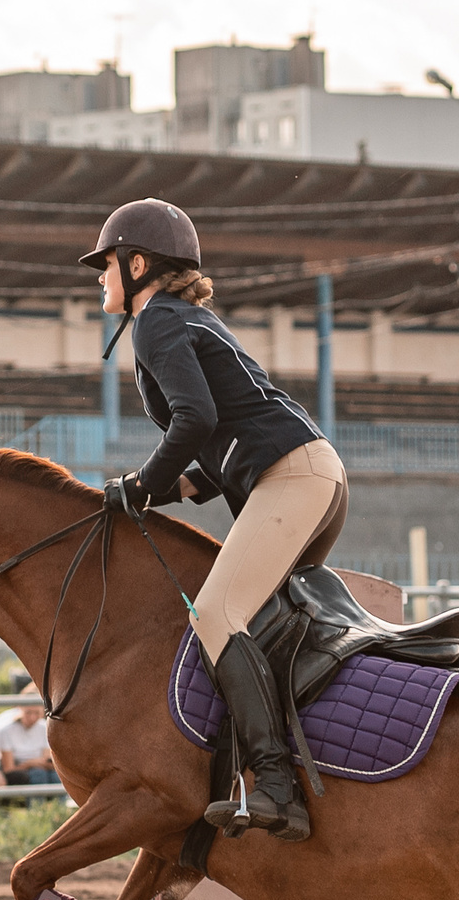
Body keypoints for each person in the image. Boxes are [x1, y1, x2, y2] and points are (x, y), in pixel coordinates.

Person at [82, 197, 341, 843]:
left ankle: (277, 784)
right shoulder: (182, 318)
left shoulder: (157, 323)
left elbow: (194, 421)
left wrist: (142, 483)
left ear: (137, 264)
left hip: (291, 476)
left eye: (106, 265)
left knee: (216, 615)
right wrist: (152, 493)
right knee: (254, 620)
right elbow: (207, 467)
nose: (99, 277)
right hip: (306, 475)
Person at [0, 686, 58, 787]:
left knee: (56, 776)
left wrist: (37, 764)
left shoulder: (44, 727)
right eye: (28, 713)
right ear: (20, 708)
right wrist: (30, 764)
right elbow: (9, 768)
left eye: (37, 713)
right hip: (21, 770)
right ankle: (37, 802)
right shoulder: (7, 730)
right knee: (38, 774)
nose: (32, 718)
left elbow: (46, 759)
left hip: (38, 768)